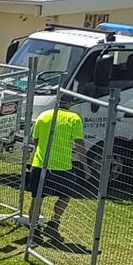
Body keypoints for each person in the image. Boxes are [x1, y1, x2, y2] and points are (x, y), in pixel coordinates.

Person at [24, 92, 87, 244]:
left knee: (36, 199)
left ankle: (34, 231)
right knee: (65, 196)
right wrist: (85, 166)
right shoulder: (74, 119)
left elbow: (36, 139)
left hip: (40, 165)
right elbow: (79, 144)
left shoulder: (43, 116)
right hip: (62, 166)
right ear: (70, 103)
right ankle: (54, 223)